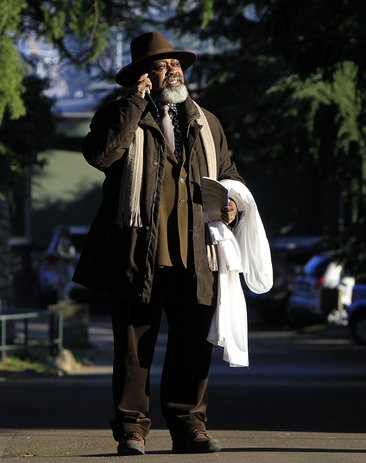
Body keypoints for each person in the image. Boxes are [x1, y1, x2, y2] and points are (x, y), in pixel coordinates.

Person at [73, 31, 243, 455]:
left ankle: (189, 426)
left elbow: (230, 177)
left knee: (192, 345)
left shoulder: (206, 123)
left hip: (196, 253)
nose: (173, 69)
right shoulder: (118, 115)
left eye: (176, 63)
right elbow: (102, 155)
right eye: (161, 64)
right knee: (133, 349)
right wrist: (134, 102)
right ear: (142, 76)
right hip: (136, 253)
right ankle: (132, 430)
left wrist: (233, 206)